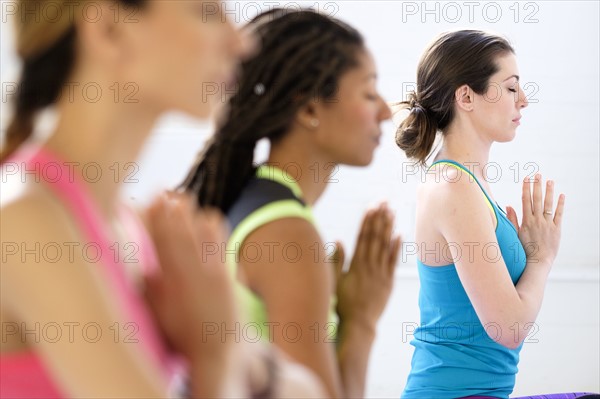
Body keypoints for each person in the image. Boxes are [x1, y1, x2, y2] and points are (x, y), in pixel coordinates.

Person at [1, 1, 323, 398]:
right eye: (206, 11)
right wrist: (217, 354)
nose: (241, 42)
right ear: (109, 31)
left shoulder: (129, 227)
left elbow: (307, 391)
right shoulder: (27, 224)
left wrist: (232, 349)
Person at [182, 8, 402, 398]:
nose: (385, 111)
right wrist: (361, 321)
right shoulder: (288, 234)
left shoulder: (252, 200)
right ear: (309, 109)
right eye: (369, 92)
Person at [395, 29, 593, 399]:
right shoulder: (454, 187)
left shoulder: (469, 184)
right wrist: (540, 259)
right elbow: (509, 328)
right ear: (467, 96)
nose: (524, 101)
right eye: (512, 87)